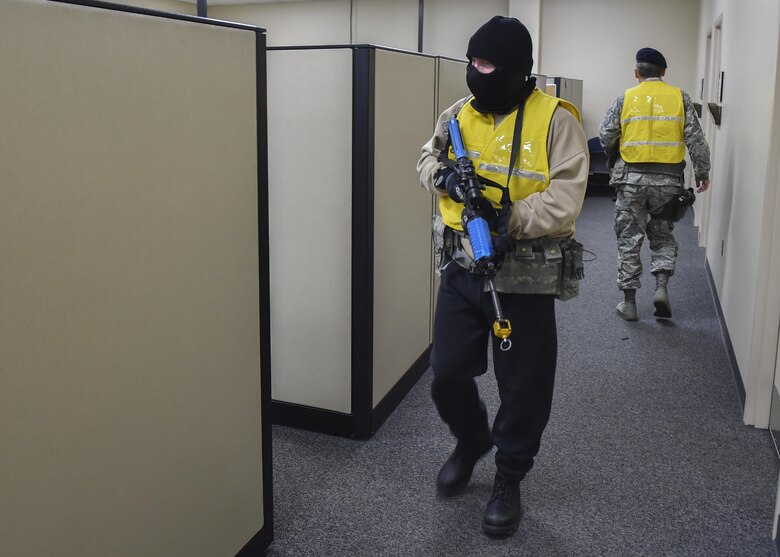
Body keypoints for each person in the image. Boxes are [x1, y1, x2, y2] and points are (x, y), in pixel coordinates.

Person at [417, 16, 588, 537]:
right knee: (447, 372)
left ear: (516, 69)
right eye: (472, 61)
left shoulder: (555, 119)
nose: (477, 71)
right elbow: (425, 159)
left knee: (523, 389)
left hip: (525, 274)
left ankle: (509, 478)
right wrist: (444, 176)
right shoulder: (457, 113)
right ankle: (472, 438)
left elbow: (566, 196)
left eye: (487, 64)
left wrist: (509, 218)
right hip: (462, 266)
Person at [599, 47, 711, 321]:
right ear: (664, 72)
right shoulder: (680, 97)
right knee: (662, 236)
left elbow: (605, 135)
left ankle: (629, 303)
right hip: (668, 183)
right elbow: (696, 140)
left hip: (631, 181)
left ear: (636, 73)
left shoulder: (625, 98)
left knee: (629, 239)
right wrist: (702, 172)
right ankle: (661, 288)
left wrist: (614, 156)